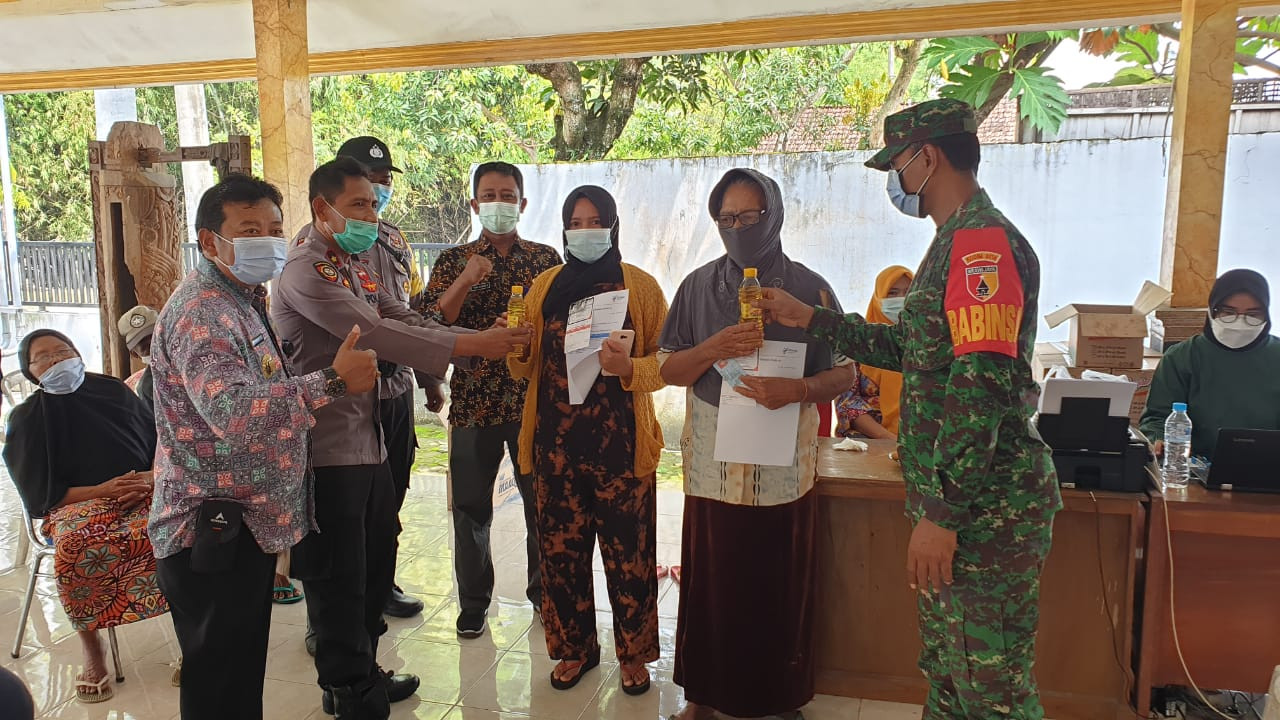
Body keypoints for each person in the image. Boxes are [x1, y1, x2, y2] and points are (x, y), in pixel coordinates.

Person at [758, 99, 1061, 720]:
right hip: (954, 504)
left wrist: (943, 514)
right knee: (950, 674)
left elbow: (981, 388)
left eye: (896, 164)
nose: (894, 181)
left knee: (991, 689)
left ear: (928, 156)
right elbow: (914, 350)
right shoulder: (950, 243)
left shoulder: (981, 246)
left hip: (983, 513)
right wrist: (810, 318)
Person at [272, 157, 530, 719]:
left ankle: (364, 670)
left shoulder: (355, 265)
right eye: (359, 204)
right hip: (326, 447)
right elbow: (381, 334)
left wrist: (472, 336)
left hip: (368, 439)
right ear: (324, 209)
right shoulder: (306, 271)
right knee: (339, 575)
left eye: (373, 201)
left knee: (371, 563)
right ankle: (346, 688)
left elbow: (403, 315)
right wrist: (471, 347)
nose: (372, 213)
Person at [147, 174, 378, 720]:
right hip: (209, 529)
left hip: (239, 525)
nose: (269, 242)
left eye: (275, 229)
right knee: (221, 683)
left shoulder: (242, 298)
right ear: (210, 241)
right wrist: (334, 381)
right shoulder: (202, 313)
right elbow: (233, 412)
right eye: (250, 230)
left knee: (235, 673)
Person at [662, 169, 854, 720]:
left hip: (782, 472)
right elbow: (667, 368)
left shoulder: (812, 291)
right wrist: (713, 346)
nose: (737, 227)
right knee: (711, 582)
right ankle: (701, 698)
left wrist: (798, 389)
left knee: (776, 585)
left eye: (750, 216)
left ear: (774, 215)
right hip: (712, 469)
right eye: (726, 218)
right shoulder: (698, 288)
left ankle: (776, 700)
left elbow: (845, 374)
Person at [508, 185, 666, 694]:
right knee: (560, 556)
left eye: (596, 221)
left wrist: (629, 368)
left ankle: (634, 655)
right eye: (576, 222)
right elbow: (521, 368)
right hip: (555, 450)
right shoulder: (543, 288)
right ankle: (574, 649)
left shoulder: (639, 287)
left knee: (630, 558)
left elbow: (666, 364)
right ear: (564, 228)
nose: (586, 230)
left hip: (621, 451)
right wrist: (516, 345)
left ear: (613, 226)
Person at [422, 161, 562, 637]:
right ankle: (473, 603)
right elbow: (433, 327)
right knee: (470, 509)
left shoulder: (546, 261)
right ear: (475, 203)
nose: (499, 203)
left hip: (531, 406)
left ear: (522, 204)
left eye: (508, 195)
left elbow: (562, 326)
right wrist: (466, 279)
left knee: (539, 506)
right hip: (474, 404)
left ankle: (545, 596)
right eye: (489, 195)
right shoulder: (451, 259)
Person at [3, 329, 168, 706]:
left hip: (141, 488)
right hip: (76, 504)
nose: (57, 361)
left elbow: (159, 444)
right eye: (43, 358)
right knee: (81, 544)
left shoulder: (113, 391)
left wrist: (147, 479)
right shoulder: (27, 419)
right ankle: (93, 650)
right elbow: (41, 495)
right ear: (29, 371)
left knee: (174, 529)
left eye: (63, 351)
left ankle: (188, 636)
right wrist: (103, 491)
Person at [1141, 269, 1280, 459]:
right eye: (1228, 312)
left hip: (1269, 469)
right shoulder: (1183, 357)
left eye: (1253, 314)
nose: (1240, 322)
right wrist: (1159, 440)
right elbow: (1157, 417)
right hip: (1195, 469)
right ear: (1212, 310)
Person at [834, 265, 914, 440]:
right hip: (869, 443)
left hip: (923, 447)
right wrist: (890, 440)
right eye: (892, 293)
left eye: (908, 292)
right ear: (878, 298)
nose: (901, 298)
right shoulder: (859, 341)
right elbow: (847, 403)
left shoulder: (930, 342)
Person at [117, 304, 158, 415]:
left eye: (156, 338)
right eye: (146, 347)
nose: (155, 347)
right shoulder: (148, 388)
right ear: (135, 354)